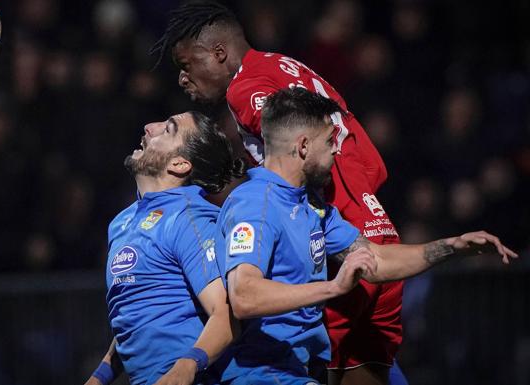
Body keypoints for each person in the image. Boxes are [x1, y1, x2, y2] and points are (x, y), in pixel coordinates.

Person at [151, 2, 405, 384]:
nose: (183, 79)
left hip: (343, 247)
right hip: (370, 226)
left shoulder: (245, 91)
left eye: (187, 66)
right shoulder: (282, 65)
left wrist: (268, 204)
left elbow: (291, 144)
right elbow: (364, 157)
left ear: (219, 54)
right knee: (371, 366)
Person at [215, 88, 517, 385]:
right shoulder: (256, 205)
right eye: (330, 141)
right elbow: (244, 296)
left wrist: (454, 246)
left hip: (300, 369)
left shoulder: (311, 206)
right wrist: (333, 287)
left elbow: (377, 259)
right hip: (259, 373)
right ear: (304, 146)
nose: (337, 149)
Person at [84, 111, 244, 385]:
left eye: (167, 130)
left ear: (180, 164)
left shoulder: (188, 218)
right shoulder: (122, 223)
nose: (148, 127)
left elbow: (227, 313)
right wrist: (99, 377)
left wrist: (187, 366)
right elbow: (137, 318)